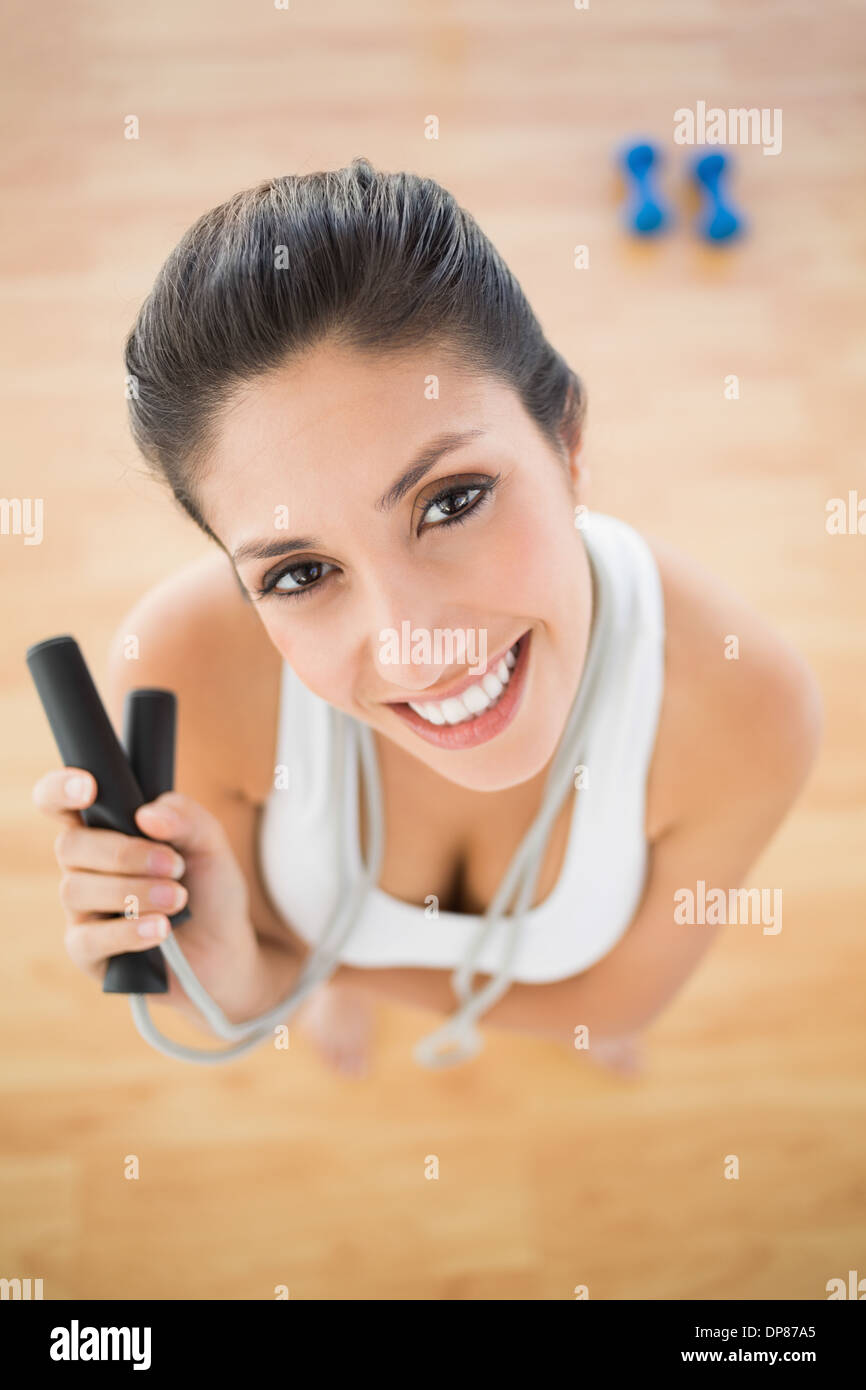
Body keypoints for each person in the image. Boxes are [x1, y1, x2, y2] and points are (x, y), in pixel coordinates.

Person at [31, 158, 822, 1078]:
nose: (414, 648)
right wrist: (241, 976)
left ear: (566, 440)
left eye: (452, 502)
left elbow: (620, 1000)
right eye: (301, 572)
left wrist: (310, 971)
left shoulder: (750, 699)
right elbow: (239, 973)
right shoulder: (179, 667)